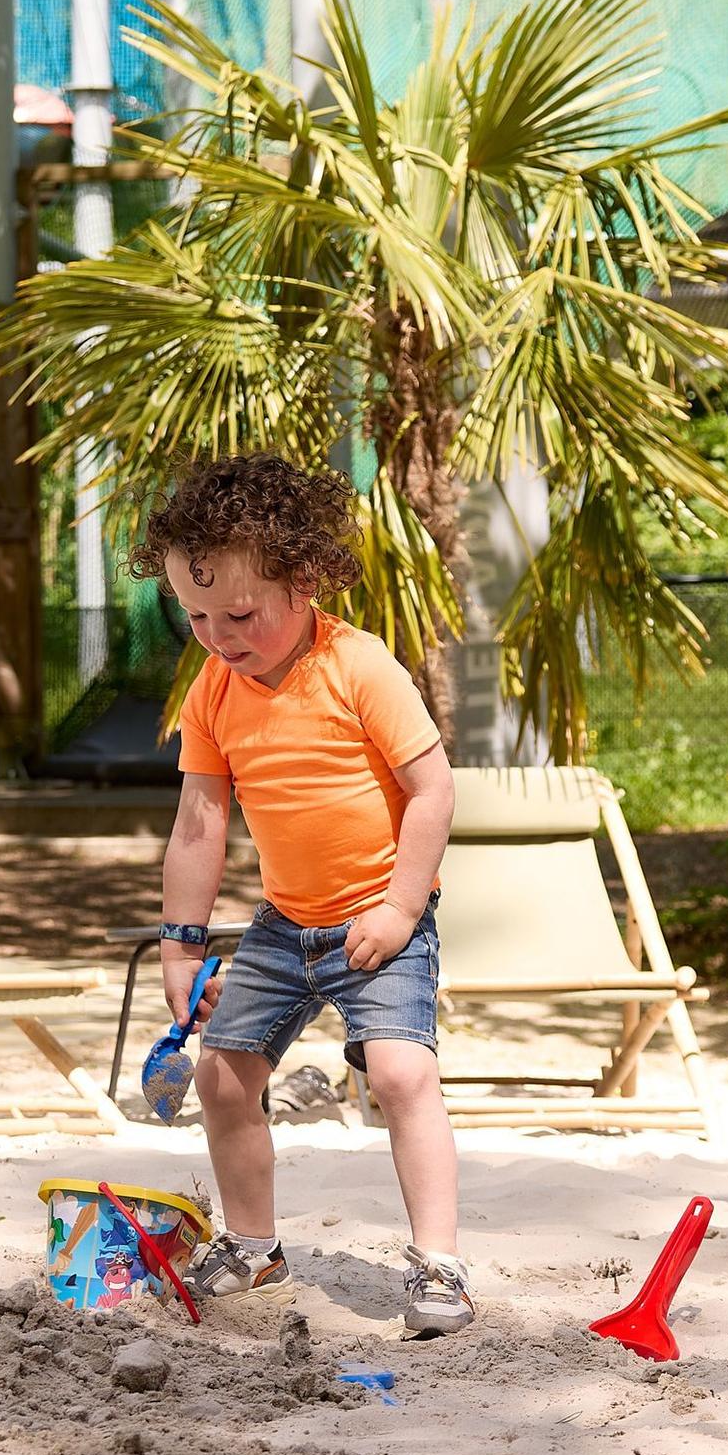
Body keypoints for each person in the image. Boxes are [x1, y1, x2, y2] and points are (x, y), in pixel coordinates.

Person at [144, 454, 472, 1337]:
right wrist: (182, 944)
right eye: (197, 614)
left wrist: (402, 906)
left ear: (306, 575)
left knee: (404, 1074)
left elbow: (434, 790)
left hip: (380, 915)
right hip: (285, 925)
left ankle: (438, 1260)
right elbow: (199, 824)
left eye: (241, 613)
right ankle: (253, 1248)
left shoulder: (361, 666)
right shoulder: (215, 687)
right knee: (221, 1077)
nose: (219, 633)